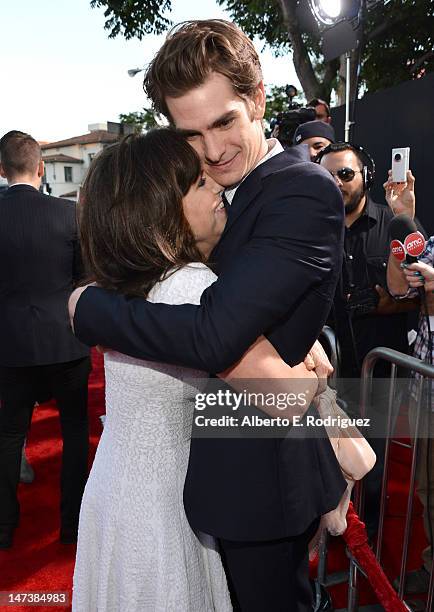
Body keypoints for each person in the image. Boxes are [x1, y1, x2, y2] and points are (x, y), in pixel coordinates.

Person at [69, 20, 346, 611]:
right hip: (198, 480)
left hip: (258, 481)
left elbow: (215, 331)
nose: (215, 151)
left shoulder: (300, 190)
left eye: (225, 122)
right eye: (191, 135)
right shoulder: (221, 195)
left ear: (258, 100)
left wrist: (89, 308)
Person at [317, 142, 420, 537]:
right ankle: (335, 539)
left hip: (381, 375)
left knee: (371, 467)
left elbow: (416, 289)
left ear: (366, 178)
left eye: (345, 174)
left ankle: (369, 546)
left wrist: (381, 304)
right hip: (328, 373)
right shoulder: (314, 230)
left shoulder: (394, 224)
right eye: (327, 176)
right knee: (329, 465)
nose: (337, 183)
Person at [0, 131, 91, 548]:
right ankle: (72, 524)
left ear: (1, 170)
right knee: (75, 432)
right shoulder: (68, 214)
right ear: (41, 168)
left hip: (10, 345)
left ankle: (4, 529)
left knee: (9, 435)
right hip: (64, 341)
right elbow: (82, 276)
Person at [388, 220, 434, 596]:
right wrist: (400, 230)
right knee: (427, 490)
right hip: (426, 392)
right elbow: (399, 290)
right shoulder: (431, 243)